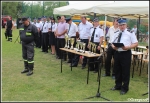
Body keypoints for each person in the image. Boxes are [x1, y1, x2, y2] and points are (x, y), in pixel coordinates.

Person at [111, 18, 138, 95]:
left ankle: (125, 88)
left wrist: (128, 47)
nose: (122, 26)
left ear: (126, 25)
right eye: (120, 25)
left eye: (123, 25)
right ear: (118, 25)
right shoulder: (116, 33)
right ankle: (118, 85)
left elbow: (135, 43)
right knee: (117, 70)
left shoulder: (130, 33)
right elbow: (112, 42)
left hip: (125, 53)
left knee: (125, 71)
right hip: (117, 53)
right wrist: (113, 47)